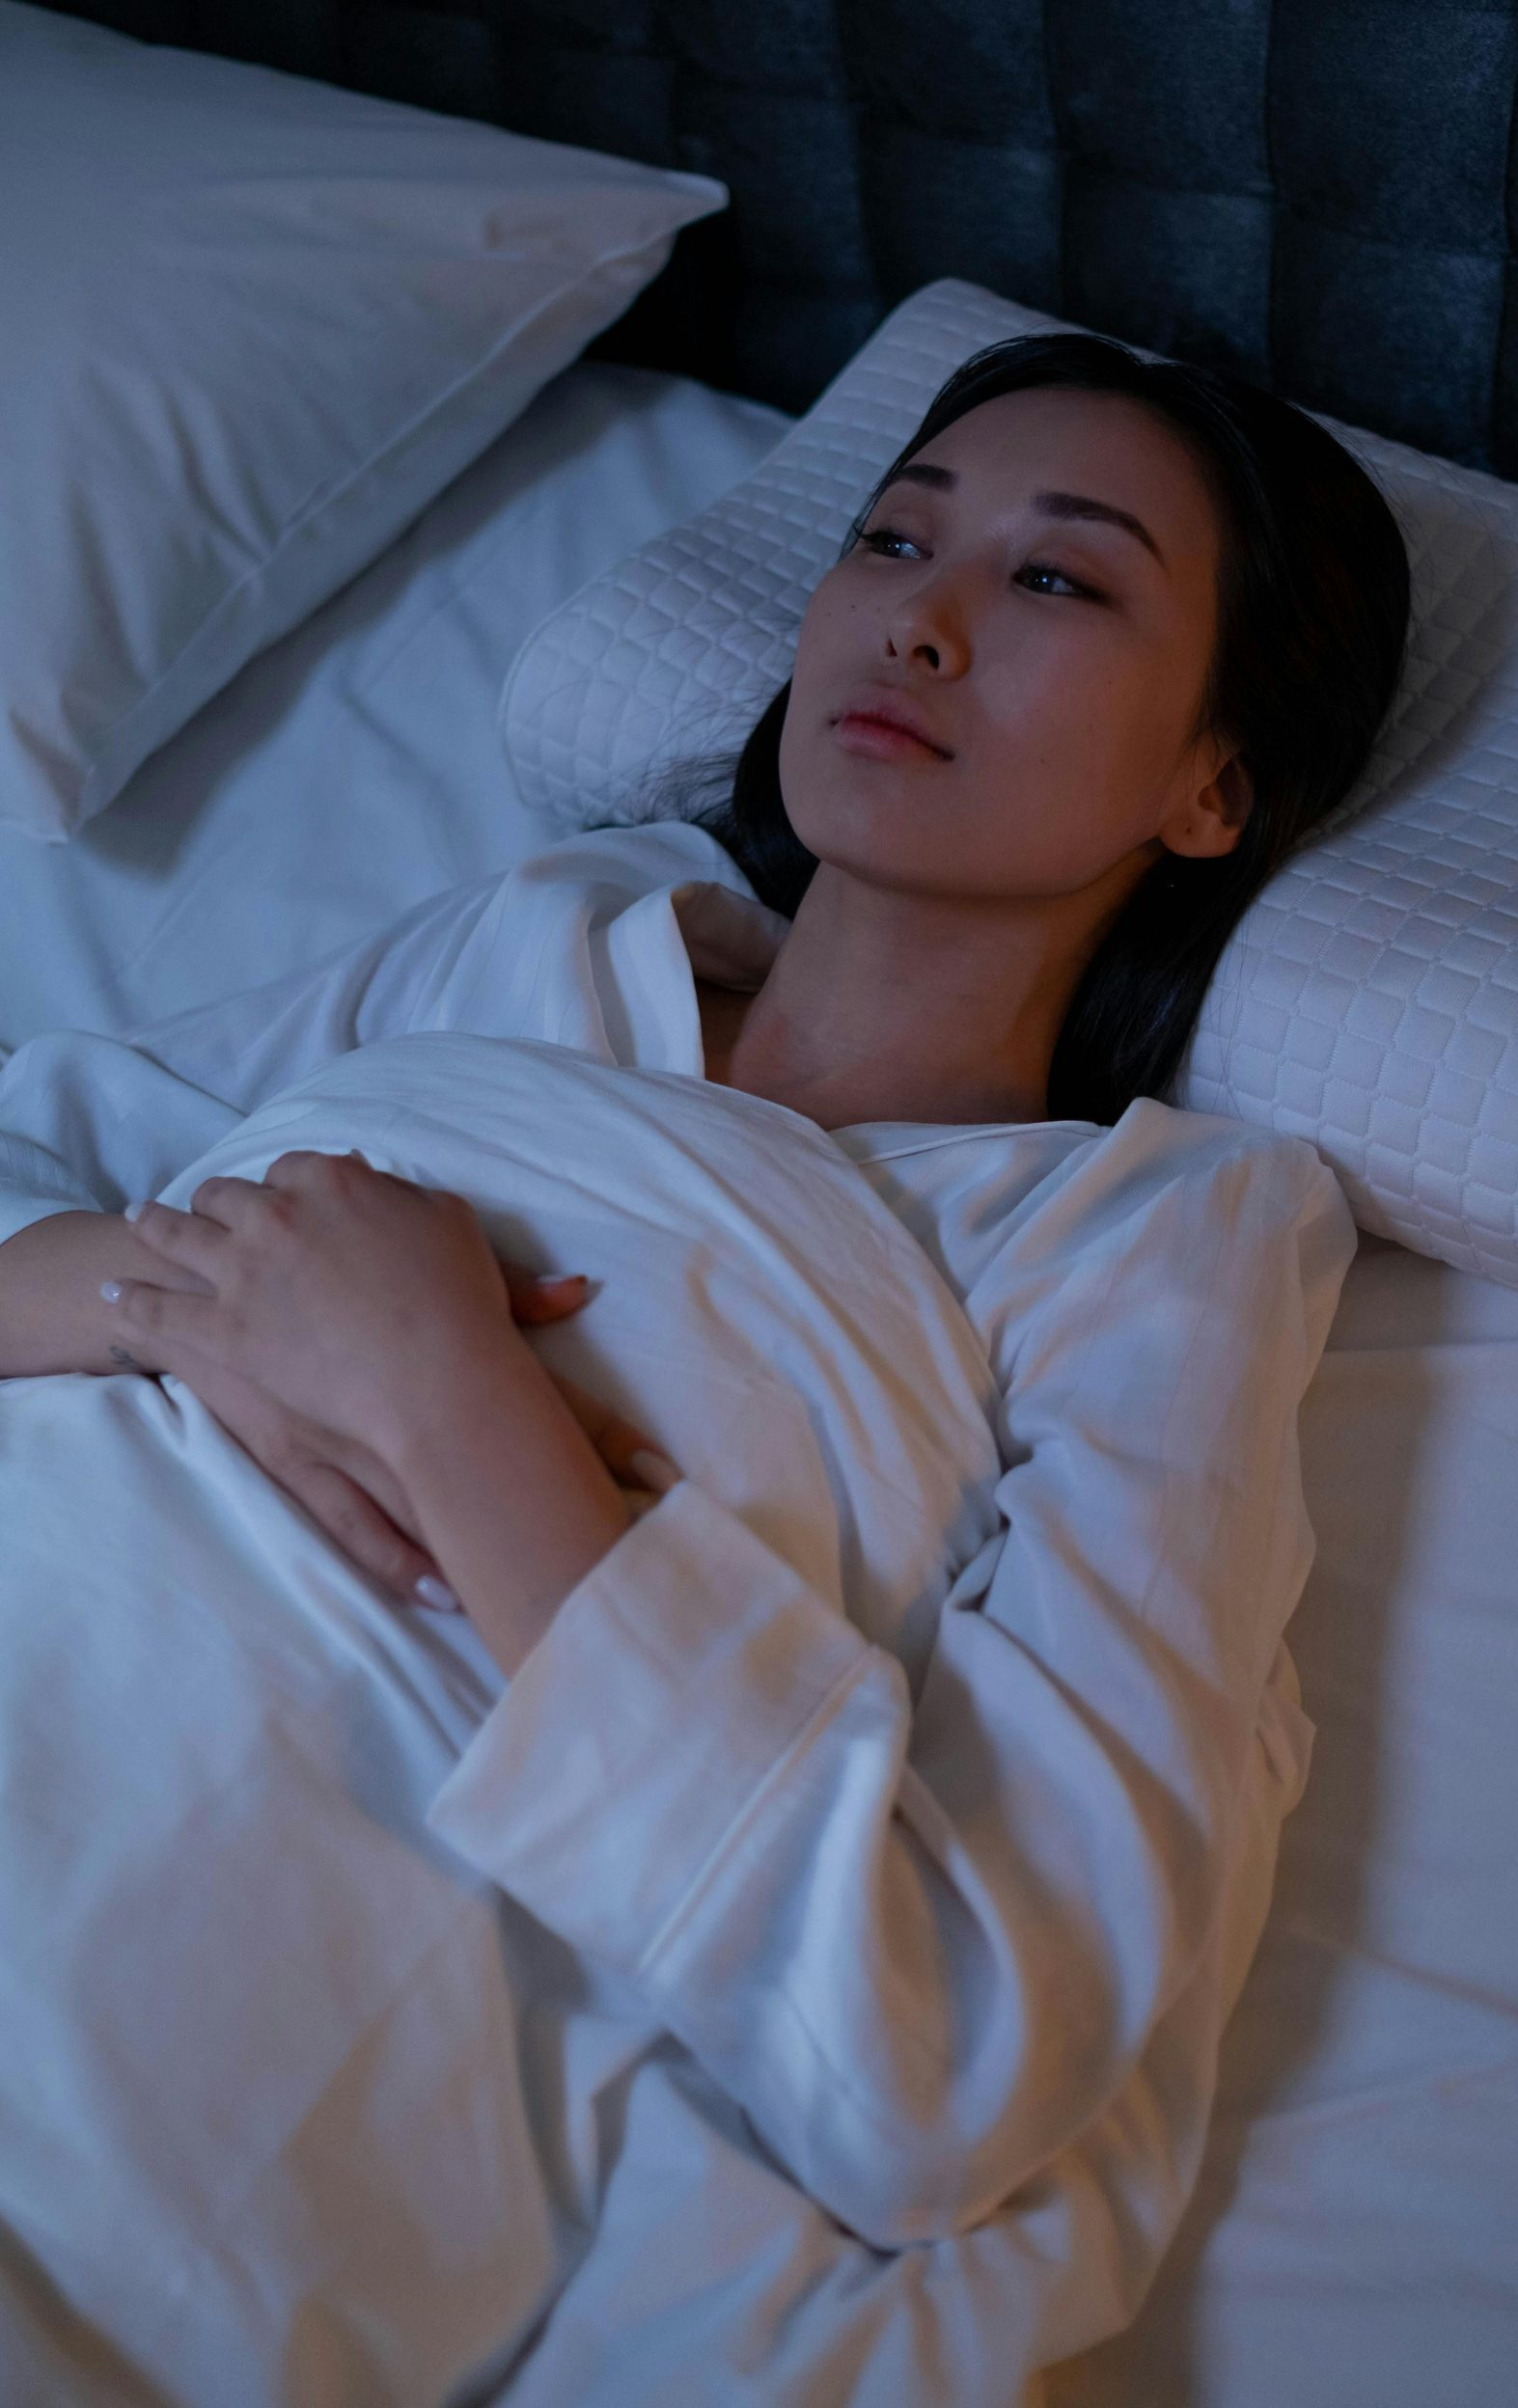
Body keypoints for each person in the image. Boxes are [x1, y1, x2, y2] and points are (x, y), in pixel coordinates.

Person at [0, 333, 1409, 2405]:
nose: (914, 620)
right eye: (889, 536)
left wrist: (455, 1410)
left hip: (172, 1973)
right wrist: (205, 1303)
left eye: (1055, 581)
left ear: (1214, 785)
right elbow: (51, 1134)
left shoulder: (1140, 1249)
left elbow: (953, 2053)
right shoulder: (544, 935)